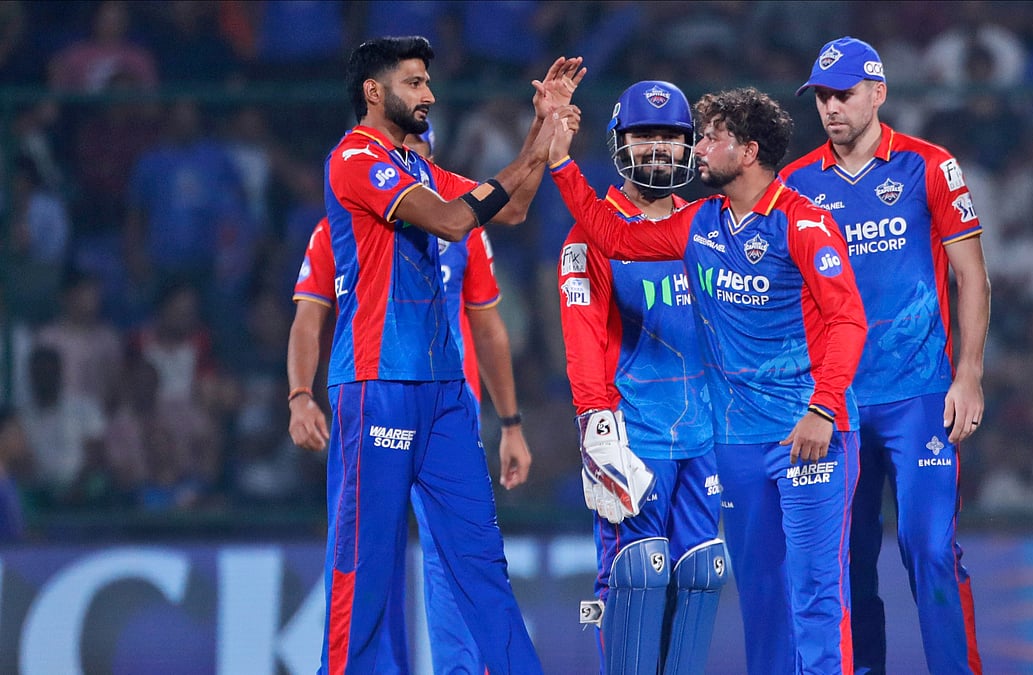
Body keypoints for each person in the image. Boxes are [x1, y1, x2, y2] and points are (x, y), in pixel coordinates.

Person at [546, 87, 868, 674]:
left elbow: (848, 319)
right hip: (729, 440)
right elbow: (614, 238)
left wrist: (824, 408)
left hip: (804, 432)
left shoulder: (804, 222)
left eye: (708, 138)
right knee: (751, 594)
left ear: (747, 152)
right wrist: (561, 163)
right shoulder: (701, 224)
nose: (694, 150)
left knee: (814, 590)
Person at [309, 35, 580, 674]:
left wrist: (542, 131)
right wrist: (529, 153)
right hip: (377, 383)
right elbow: (455, 221)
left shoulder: (421, 169)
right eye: (414, 82)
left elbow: (511, 209)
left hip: (445, 393)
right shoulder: (354, 159)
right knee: (365, 562)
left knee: (480, 559)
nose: (429, 93)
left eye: (428, 81)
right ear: (373, 92)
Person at [780, 36, 990, 675]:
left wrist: (969, 374)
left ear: (879, 93)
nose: (831, 107)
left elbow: (972, 276)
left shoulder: (930, 166)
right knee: (846, 560)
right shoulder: (795, 184)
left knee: (929, 548)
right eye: (821, 96)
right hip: (834, 404)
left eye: (843, 94)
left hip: (920, 395)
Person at [289, 126, 531, 673]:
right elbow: (308, 319)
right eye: (401, 153)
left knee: (459, 560)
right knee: (371, 553)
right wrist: (300, 394)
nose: (408, 162)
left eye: (420, 152)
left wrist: (510, 422)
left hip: (450, 407)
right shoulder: (339, 228)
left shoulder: (465, 230)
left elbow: (488, 327)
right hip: (383, 395)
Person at [557, 81, 724, 675]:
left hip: (703, 436)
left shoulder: (707, 226)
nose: (657, 148)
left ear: (690, 147)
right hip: (633, 437)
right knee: (635, 577)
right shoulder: (590, 235)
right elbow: (582, 339)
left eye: (671, 137)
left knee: (701, 577)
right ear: (619, 144)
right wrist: (596, 426)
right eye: (644, 136)